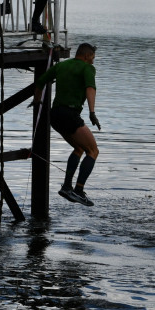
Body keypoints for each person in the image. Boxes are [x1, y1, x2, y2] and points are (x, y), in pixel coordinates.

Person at [32, 43, 101, 206]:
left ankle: (66, 187)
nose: (93, 61)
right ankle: (78, 190)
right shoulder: (87, 69)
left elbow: (40, 81)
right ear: (86, 56)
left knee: (79, 149)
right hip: (70, 115)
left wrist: (37, 102)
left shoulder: (61, 66)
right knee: (93, 150)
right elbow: (90, 88)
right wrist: (92, 112)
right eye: (92, 57)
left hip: (54, 115)